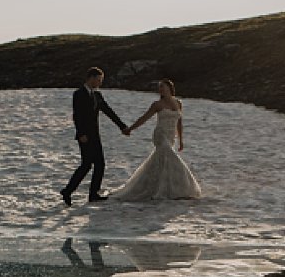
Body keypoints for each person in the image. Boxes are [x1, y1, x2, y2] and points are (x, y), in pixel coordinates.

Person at [108, 79, 203, 202]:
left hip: (170, 135)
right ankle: (176, 188)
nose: (161, 89)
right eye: (159, 88)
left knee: (163, 161)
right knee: (170, 156)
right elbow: (144, 118)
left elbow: (179, 122)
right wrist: (130, 128)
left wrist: (181, 140)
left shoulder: (178, 102)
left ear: (170, 88)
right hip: (160, 134)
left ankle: (166, 187)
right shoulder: (157, 104)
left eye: (163, 87)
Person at [61, 67, 131, 206]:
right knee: (86, 165)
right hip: (84, 136)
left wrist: (122, 126)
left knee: (100, 164)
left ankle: (93, 194)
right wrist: (81, 133)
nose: (100, 83)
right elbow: (77, 116)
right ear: (91, 78)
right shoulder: (79, 94)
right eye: (99, 80)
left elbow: (109, 111)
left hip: (95, 135)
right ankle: (68, 191)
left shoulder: (97, 95)